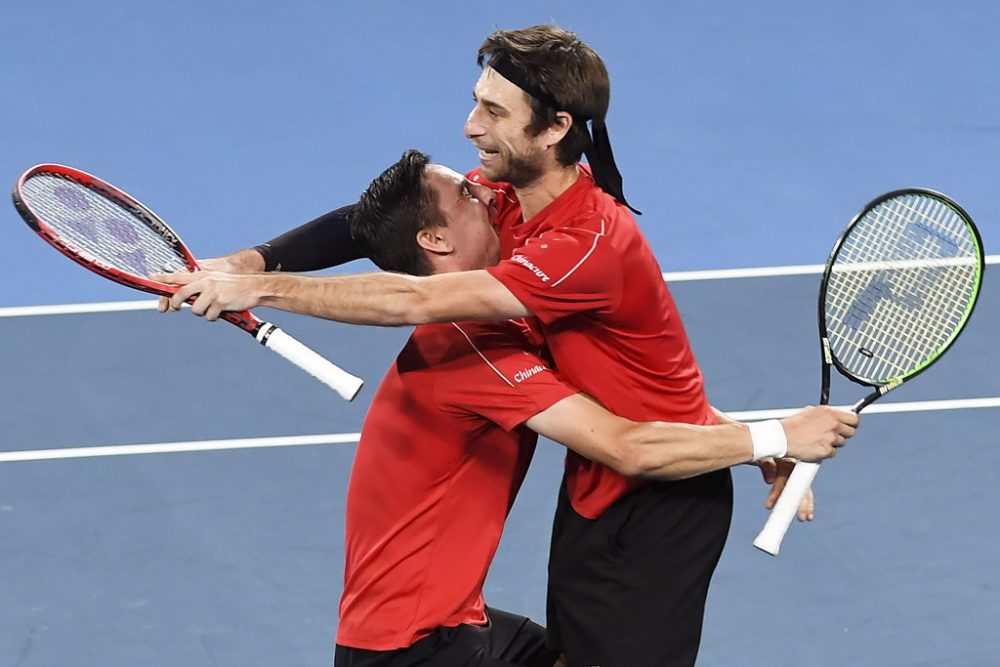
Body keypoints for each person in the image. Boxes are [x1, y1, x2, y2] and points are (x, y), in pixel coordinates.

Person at [156, 26, 853, 667]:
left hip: (652, 497)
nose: (471, 130)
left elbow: (415, 298)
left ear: (554, 128)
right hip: (584, 495)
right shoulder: (509, 203)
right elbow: (364, 223)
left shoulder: (569, 248)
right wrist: (250, 261)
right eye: (476, 103)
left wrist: (765, 435)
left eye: (493, 112)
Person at [329, 150, 855, 666]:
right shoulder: (468, 348)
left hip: (449, 624)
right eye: (466, 194)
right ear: (436, 239)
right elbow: (626, 447)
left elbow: (623, 406)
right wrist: (779, 436)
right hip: (407, 651)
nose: (486, 191)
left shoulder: (494, 324)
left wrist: (736, 438)